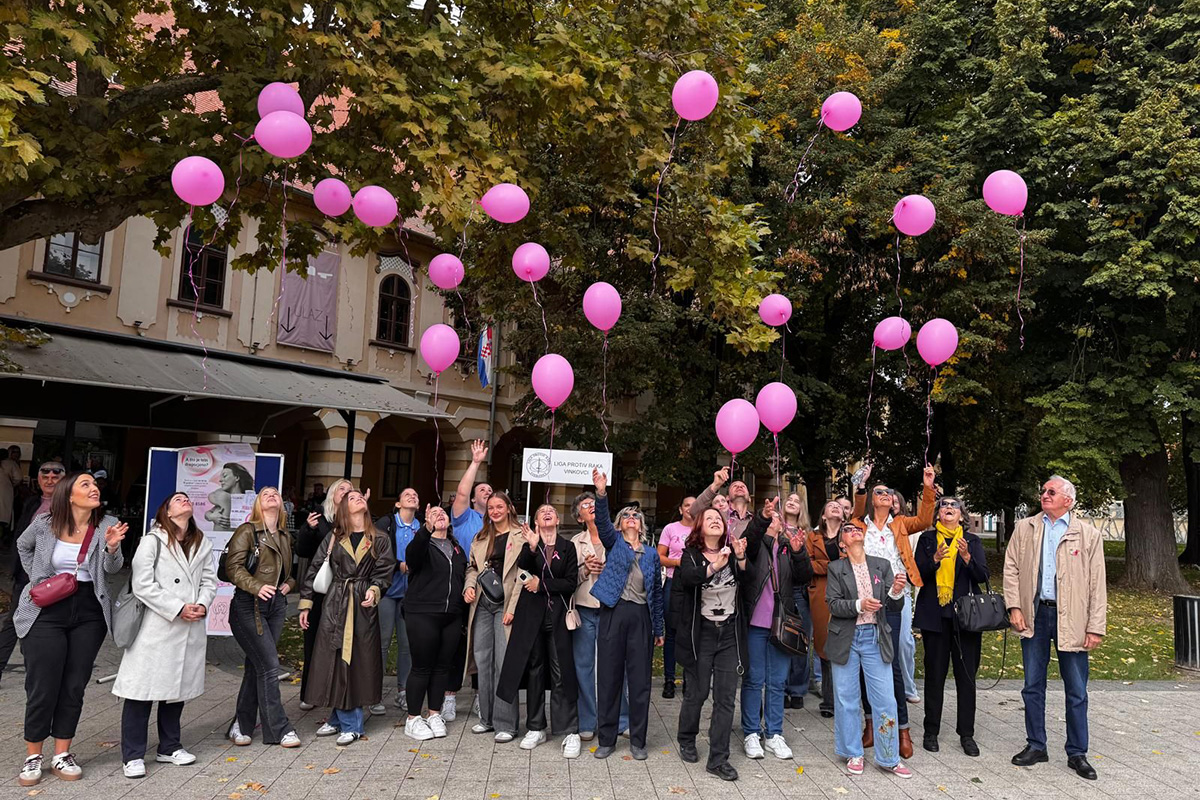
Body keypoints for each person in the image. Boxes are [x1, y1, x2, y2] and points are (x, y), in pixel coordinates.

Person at [14, 472, 127, 786]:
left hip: (89, 610)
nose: (94, 489)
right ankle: (32, 756)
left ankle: (62, 753)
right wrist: (38, 578)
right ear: (69, 494)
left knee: (74, 684)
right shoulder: (44, 524)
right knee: (42, 685)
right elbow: (22, 547)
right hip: (46, 609)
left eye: (95, 484)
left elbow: (113, 569)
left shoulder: (107, 525)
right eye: (86, 485)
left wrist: (112, 549)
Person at [1003, 475, 1106, 780]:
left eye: (1052, 491)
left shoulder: (1087, 535)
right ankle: (1036, 745)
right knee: (1032, 685)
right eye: (1043, 490)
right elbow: (1010, 568)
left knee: (1076, 690)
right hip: (1035, 615)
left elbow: (1097, 584)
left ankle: (1077, 753)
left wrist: (1095, 626)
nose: (1044, 495)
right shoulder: (1025, 528)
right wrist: (1015, 607)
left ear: (1068, 501)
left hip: (1072, 619)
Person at [113, 493, 217, 778]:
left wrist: (203, 604)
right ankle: (132, 754)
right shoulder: (152, 541)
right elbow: (142, 584)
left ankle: (169, 747)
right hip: (157, 625)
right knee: (142, 691)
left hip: (189, 625)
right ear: (167, 512)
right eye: (178, 499)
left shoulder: (201, 543)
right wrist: (178, 607)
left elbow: (210, 580)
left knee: (176, 690)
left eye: (187, 499)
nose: (185, 501)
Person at [850, 463, 936, 759]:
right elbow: (853, 513)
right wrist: (861, 485)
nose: (885, 494)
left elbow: (925, 518)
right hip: (864, 599)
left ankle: (902, 729)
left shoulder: (899, 525)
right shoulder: (860, 526)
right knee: (863, 664)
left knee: (894, 663)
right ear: (871, 499)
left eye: (889, 492)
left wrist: (928, 487)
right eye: (879, 491)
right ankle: (871, 723)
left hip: (894, 598)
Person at [299, 488, 394, 745]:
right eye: (351, 498)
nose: (358, 498)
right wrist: (306, 604)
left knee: (355, 660)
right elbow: (315, 568)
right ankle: (339, 718)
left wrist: (375, 590)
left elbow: (385, 570)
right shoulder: (334, 536)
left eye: (360, 497)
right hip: (335, 603)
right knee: (335, 658)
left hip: (361, 604)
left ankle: (351, 723)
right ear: (343, 509)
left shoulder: (380, 538)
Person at [826, 522, 913, 779]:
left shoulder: (881, 564)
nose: (855, 530)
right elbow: (833, 604)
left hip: (875, 637)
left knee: (886, 699)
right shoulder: (836, 568)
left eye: (857, 528)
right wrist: (858, 604)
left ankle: (888, 757)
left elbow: (892, 607)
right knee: (847, 698)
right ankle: (853, 752)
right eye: (848, 529)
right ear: (842, 543)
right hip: (846, 638)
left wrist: (896, 592)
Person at [589, 469, 664, 760]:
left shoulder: (652, 554)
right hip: (613, 613)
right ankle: (606, 739)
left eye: (636, 517)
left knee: (640, 680)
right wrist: (601, 492)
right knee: (609, 677)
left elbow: (656, 594)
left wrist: (659, 629)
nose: (632, 519)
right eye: (627, 517)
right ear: (620, 526)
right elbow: (602, 522)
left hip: (641, 619)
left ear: (641, 526)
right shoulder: (614, 542)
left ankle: (638, 740)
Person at [675, 506, 750, 781]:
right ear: (699, 527)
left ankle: (718, 759)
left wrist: (740, 558)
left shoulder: (732, 552)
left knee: (726, 698)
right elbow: (688, 579)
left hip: (729, 633)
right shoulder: (691, 555)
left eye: (719, 519)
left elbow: (748, 581)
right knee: (697, 693)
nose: (716, 521)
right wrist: (714, 566)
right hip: (702, 634)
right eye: (710, 519)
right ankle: (686, 737)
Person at [497, 508, 580, 756]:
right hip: (531, 617)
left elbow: (570, 582)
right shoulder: (529, 545)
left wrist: (541, 585)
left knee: (560, 672)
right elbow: (522, 568)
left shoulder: (568, 547)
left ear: (557, 519)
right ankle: (535, 726)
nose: (547, 513)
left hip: (557, 619)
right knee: (534, 670)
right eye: (542, 512)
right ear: (535, 521)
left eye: (551, 511)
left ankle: (568, 730)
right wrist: (533, 547)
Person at [225, 487, 301, 749]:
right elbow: (231, 568)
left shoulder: (284, 536)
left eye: (276, 493)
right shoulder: (247, 531)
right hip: (249, 606)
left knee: (256, 666)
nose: (272, 495)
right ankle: (279, 729)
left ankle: (241, 725)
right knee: (269, 666)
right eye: (265, 493)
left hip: (276, 606)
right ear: (258, 504)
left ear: (282, 505)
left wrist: (289, 584)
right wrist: (257, 586)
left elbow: (290, 572)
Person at [913, 495, 988, 756]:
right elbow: (917, 575)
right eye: (943, 505)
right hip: (935, 619)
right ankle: (930, 731)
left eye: (953, 505)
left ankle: (966, 734)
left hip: (966, 620)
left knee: (966, 678)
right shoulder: (926, 540)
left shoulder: (972, 541)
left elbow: (983, 575)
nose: (948, 508)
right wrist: (934, 559)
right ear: (937, 514)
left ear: (961, 515)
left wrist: (967, 557)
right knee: (935, 677)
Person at [740, 497, 812, 761]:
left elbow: (804, 577)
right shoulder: (756, 546)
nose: (775, 522)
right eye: (771, 519)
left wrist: (798, 552)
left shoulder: (787, 547)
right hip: (756, 623)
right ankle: (750, 732)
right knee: (753, 679)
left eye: (777, 519)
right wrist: (762, 516)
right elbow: (752, 535)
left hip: (781, 624)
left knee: (777, 681)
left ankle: (773, 734)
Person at [401, 505, 467, 741]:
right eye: (434, 513)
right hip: (422, 613)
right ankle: (412, 719)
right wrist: (426, 530)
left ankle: (434, 714)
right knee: (422, 667)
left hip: (451, 615)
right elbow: (412, 557)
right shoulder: (423, 544)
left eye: (443, 513)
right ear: (426, 519)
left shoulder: (457, 548)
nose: (440, 515)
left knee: (442, 668)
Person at [462, 490, 522, 742]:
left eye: (499, 506)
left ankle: (506, 724)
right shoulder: (482, 536)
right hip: (482, 604)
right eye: (491, 508)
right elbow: (472, 568)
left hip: (506, 604)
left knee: (503, 663)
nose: (495, 511)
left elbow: (524, 573)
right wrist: (469, 585)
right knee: (483, 661)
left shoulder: (521, 535)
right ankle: (486, 719)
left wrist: (512, 609)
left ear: (508, 508)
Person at [570, 492, 630, 741]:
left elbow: (632, 572)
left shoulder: (618, 538)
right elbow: (566, 579)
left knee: (617, 666)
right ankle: (588, 721)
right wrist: (585, 570)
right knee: (584, 667)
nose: (591, 507)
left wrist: (610, 571)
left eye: (594, 504)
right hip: (585, 609)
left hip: (612, 609)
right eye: (585, 505)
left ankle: (621, 719)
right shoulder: (574, 542)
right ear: (578, 517)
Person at [0, 461, 64, 681]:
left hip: (56, 578)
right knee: (13, 620)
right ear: (38, 479)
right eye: (44, 475)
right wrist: (17, 568)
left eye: (55, 476)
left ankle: (39, 671)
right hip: (26, 574)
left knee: (43, 625)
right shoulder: (31, 503)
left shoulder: (70, 507)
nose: (49, 479)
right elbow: (20, 537)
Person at [294, 478, 352, 710]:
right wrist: (308, 530)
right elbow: (303, 550)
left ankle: (336, 691)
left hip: (347, 591)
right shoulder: (321, 519)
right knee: (314, 641)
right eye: (342, 489)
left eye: (351, 490)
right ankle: (309, 692)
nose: (347, 493)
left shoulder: (356, 523)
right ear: (332, 494)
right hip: (322, 590)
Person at [376, 486, 421, 715]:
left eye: (415, 495)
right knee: (382, 642)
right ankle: (375, 692)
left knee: (406, 645)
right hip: (386, 591)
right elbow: (376, 552)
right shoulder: (387, 524)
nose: (412, 497)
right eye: (407, 495)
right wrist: (398, 565)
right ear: (398, 503)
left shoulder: (421, 527)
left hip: (410, 594)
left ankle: (403, 691)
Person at [657, 494, 698, 698]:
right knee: (672, 632)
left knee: (692, 633)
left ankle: (689, 679)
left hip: (695, 585)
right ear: (681, 509)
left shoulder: (701, 528)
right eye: (686, 505)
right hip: (674, 583)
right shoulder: (670, 529)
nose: (690, 508)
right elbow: (659, 556)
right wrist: (678, 563)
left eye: (694, 505)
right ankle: (669, 680)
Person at [807, 500, 845, 718]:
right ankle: (829, 702)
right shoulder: (812, 537)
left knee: (845, 645)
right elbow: (806, 563)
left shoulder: (849, 533)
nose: (835, 507)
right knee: (824, 646)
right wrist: (833, 565)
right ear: (823, 516)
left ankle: (846, 699)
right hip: (821, 593)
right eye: (830, 506)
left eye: (839, 506)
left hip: (846, 593)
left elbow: (855, 557)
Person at [781, 491, 815, 709]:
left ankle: (797, 689)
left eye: (797, 501)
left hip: (800, 590)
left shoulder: (808, 534)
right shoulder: (774, 528)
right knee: (780, 638)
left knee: (801, 641)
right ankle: (781, 687)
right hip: (780, 589)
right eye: (789, 500)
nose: (792, 503)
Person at [205, 463, 253, 531]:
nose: (220, 480)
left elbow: (213, 496)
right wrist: (211, 516)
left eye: (224, 476)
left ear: (236, 477)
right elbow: (208, 513)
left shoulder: (224, 497)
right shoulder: (223, 500)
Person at [0, 445, 22, 543]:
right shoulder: (11, 464)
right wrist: (11, 485)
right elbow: (18, 478)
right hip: (6, 492)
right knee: (5, 515)